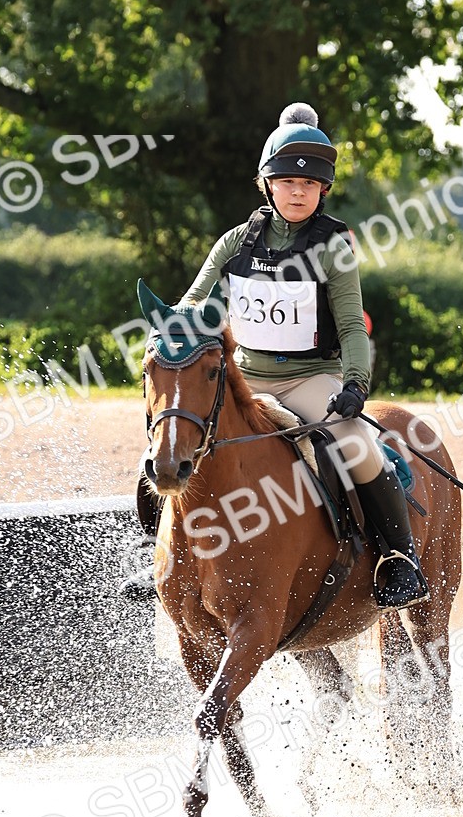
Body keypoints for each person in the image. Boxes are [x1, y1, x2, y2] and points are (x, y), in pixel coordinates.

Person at [130, 103, 428, 610]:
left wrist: (355, 384)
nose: (298, 192)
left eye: (309, 184)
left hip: (311, 378)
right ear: (267, 185)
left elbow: (351, 325)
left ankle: (398, 557)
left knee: (357, 445)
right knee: (164, 449)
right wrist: (174, 327)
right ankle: (154, 554)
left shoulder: (333, 247)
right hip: (244, 378)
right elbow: (195, 301)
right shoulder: (235, 243)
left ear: (323, 190)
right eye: (288, 182)